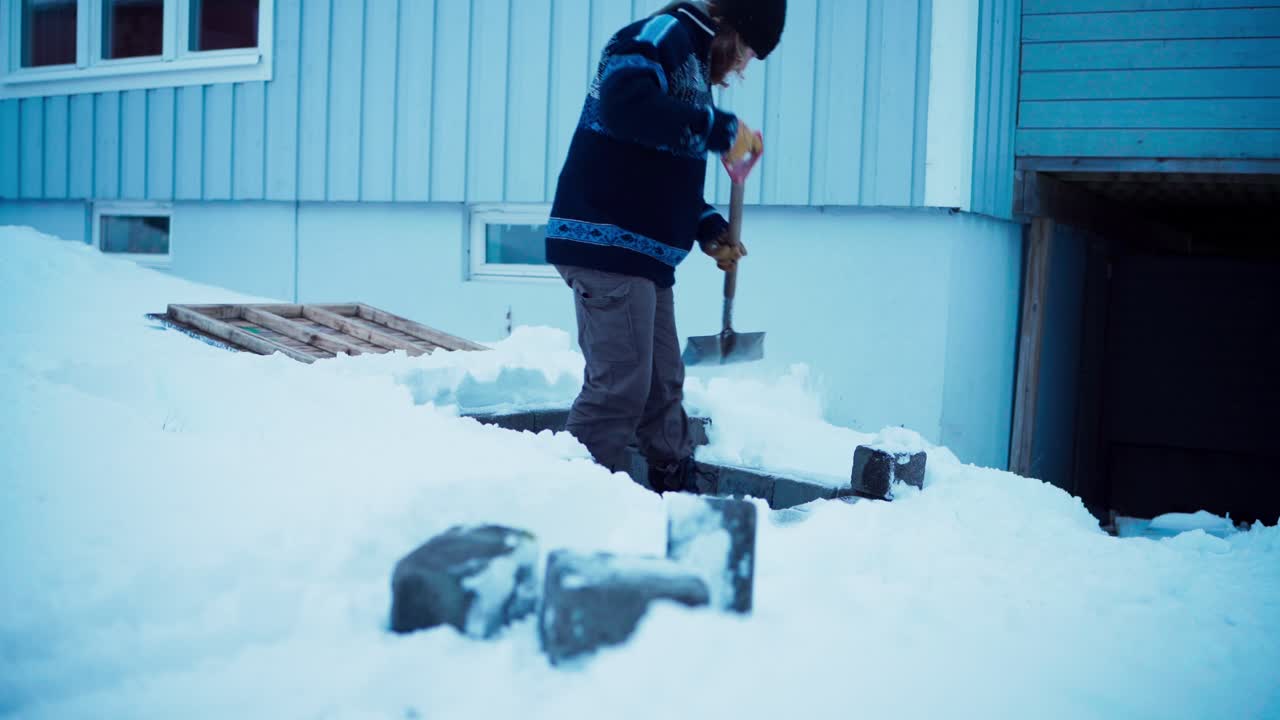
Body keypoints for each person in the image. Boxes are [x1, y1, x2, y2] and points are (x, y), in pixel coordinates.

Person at [545, 0, 786, 494]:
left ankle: (675, 485)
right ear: (727, 26)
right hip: (607, 241)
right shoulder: (664, 35)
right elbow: (623, 103)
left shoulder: (694, 72)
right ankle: (573, 499)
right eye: (743, 52)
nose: (740, 68)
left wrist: (709, 226)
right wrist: (715, 129)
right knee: (620, 387)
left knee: (661, 386)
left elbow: (663, 173)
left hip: (645, 257)